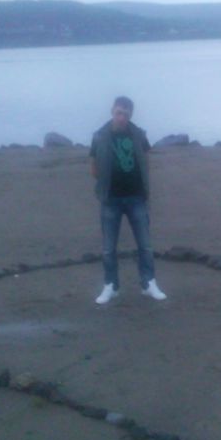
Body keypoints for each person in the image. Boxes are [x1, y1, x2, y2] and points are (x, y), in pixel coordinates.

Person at [89, 96, 167, 304]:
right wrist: (107, 183)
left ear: (130, 115)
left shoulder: (138, 134)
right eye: (119, 113)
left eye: (126, 114)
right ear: (112, 111)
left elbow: (145, 161)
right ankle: (110, 286)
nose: (122, 117)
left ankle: (148, 283)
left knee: (145, 245)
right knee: (108, 248)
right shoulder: (100, 136)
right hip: (111, 199)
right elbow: (94, 168)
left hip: (136, 197)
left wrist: (143, 188)